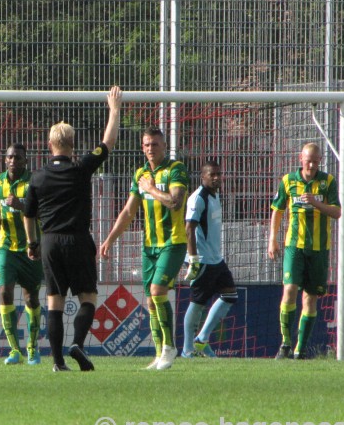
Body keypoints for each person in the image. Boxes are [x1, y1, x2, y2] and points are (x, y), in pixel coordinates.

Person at [24, 86, 123, 372]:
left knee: (54, 302)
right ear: (72, 144)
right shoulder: (82, 168)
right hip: (79, 240)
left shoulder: (38, 177)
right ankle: (77, 343)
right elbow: (108, 143)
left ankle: (57, 362)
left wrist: (32, 244)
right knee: (87, 298)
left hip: (51, 242)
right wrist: (114, 110)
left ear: (49, 144)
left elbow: (28, 215)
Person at [100, 127, 188, 371]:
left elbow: (175, 202)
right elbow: (129, 212)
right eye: (147, 145)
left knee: (158, 291)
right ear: (142, 147)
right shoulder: (140, 174)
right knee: (150, 301)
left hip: (173, 242)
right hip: (149, 246)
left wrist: (150, 189)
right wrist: (109, 239)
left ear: (164, 146)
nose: (151, 148)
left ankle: (170, 348)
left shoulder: (176, 169)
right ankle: (160, 354)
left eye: (155, 144)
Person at [268, 142, 340, 360]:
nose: (311, 165)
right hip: (294, 247)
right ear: (301, 158)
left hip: (318, 250)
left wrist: (316, 204)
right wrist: (273, 239)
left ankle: (300, 349)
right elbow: (278, 210)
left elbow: (337, 212)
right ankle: (286, 343)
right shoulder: (289, 180)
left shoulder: (327, 182)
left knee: (310, 299)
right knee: (289, 290)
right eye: (308, 160)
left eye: (316, 161)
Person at [0, 143, 44, 365]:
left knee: (31, 297)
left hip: (31, 247)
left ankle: (32, 347)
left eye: (18, 158)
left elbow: (44, 210)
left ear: (25, 161)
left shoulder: (35, 182)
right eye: (10, 157)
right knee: (5, 292)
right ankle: (14, 350)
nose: (13, 161)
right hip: (6, 247)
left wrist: (22, 205)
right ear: (5, 159)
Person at [180, 161, 237, 358]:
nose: (216, 178)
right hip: (202, 260)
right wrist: (194, 259)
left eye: (218, 174)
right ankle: (187, 350)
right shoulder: (198, 198)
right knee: (198, 302)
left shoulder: (215, 195)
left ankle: (202, 339)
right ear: (202, 177)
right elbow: (189, 228)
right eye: (212, 174)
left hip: (216, 259)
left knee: (230, 295)